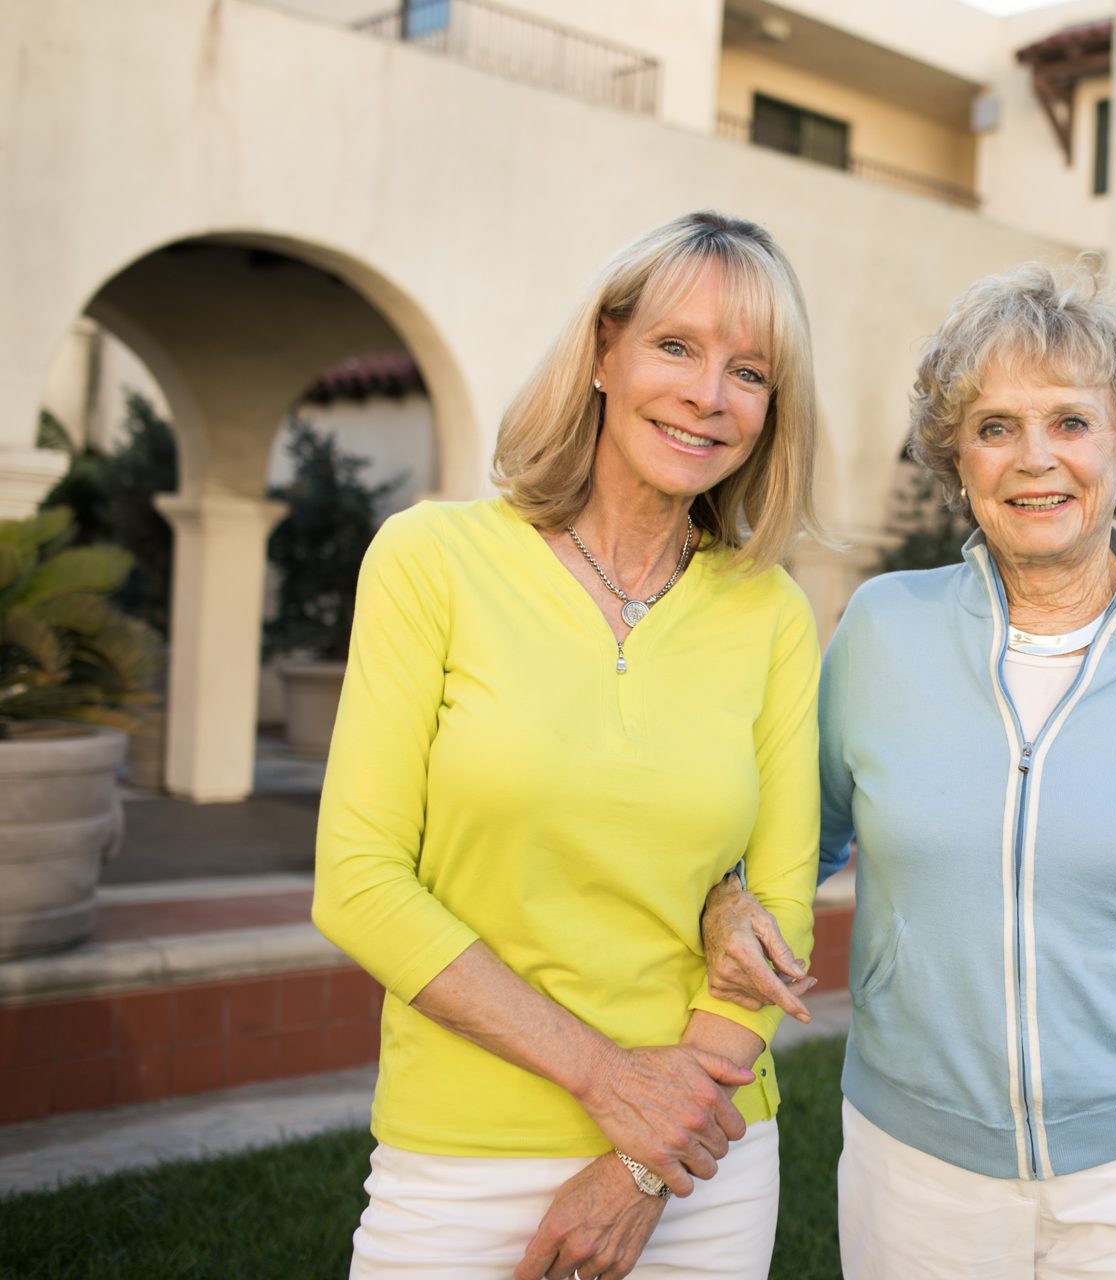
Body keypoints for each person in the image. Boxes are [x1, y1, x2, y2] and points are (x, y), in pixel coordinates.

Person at [706, 260, 1116, 1279]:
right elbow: (797, 840)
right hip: (917, 1165)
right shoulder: (882, 629)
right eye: (994, 426)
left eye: (1071, 422)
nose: (1036, 459)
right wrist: (729, 895)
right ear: (958, 459)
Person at [313, 210, 825, 1280]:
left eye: (750, 371)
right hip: (460, 1149)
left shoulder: (770, 609)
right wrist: (607, 1080)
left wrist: (641, 1163)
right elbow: (358, 882)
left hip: (701, 1163)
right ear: (603, 351)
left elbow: (776, 917)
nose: (708, 395)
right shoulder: (431, 559)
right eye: (676, 346)